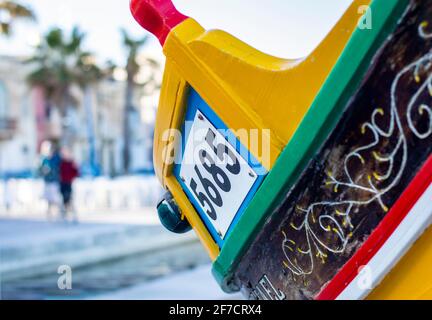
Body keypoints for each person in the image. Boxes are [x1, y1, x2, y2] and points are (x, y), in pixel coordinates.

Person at [39, 141, 61, 220]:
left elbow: (58, 168)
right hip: (47, 181)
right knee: (48, 198)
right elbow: (40, 170)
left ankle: (58, 211)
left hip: (54, 180)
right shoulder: (44, 159)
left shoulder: (56, 158)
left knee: (55, 198)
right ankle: (49, 213)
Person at [59, 148, 79, 222]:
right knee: (64, 199)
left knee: (69, 199)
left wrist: (72, 177)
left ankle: (72, 214)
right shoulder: (61, 163)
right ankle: (65, 214)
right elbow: (58, 171)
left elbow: (76, 172)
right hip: (62, 183)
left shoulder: (71, 163)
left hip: (69, 183)